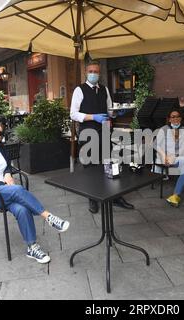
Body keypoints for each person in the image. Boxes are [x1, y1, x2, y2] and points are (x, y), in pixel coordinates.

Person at [0, 122, 70, 264]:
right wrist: (4, 186)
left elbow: (7, 166)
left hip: (2, 194)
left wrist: (7, 174)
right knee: (18, 190)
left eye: (0, 133)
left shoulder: (1, 149)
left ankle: (32, 247)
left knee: (22, 209)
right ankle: (48, 217)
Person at [70, 60, 134, 213]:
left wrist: (117, 112)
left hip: (105, 131)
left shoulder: (104, 89)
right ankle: (93, 198)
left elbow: (110, 111)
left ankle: (115, 197)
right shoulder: (79, 90)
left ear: (99, 73)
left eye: (96, 71)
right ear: (86, 73)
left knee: (111, 164)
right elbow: (73, 113)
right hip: (88, 133)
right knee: (91, 168)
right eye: (91, 71)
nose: (93, 74)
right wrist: (93, 117)